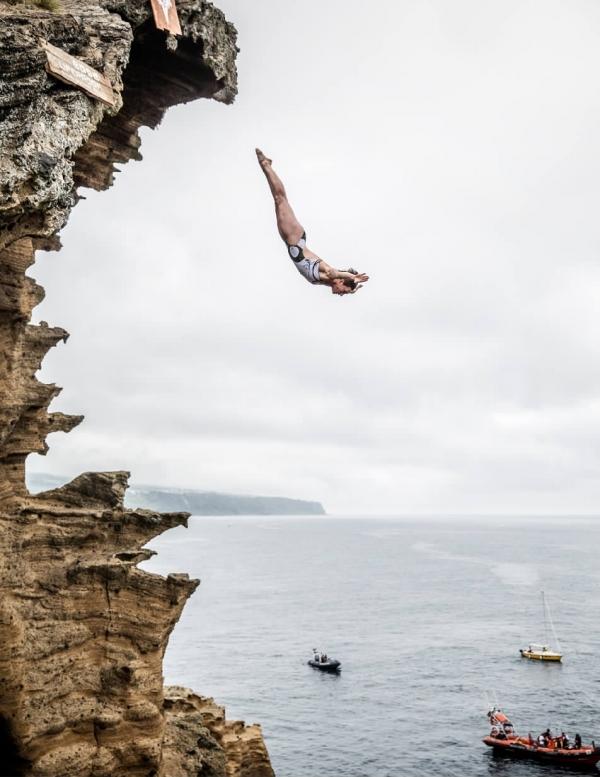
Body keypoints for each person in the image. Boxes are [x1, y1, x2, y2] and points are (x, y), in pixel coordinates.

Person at [256, 149, 370, 295]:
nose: (342, 294)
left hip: (292, 241)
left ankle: (267, 166)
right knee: (280, 199)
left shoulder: (327, 281)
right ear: (341, 282)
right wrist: (353, 277)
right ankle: (266, 164)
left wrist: (352, 285)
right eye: (344, 291)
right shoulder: (330, 274)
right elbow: (334, 273)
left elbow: (338, 274)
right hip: (295, 238)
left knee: (279, 200)